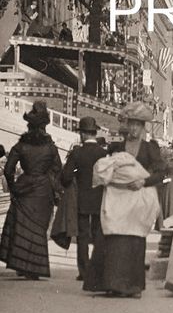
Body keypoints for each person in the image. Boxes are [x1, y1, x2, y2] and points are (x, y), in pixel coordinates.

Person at [84, 101, 166, 298]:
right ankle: (111, 284)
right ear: (126, 126)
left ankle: (131, 287)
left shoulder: (149, 148)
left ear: (143, 127)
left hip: (137, 201)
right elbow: (107, 167)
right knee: (111, 239)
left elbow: (161, 173)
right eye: (131, 124)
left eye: (137, 125)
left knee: (134, 240)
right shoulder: (117, 146)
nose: (134, 129)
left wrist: (143, 182)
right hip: (117, 200)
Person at [0, 101, 62, 280]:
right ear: (44, 126)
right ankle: (36, 267)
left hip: (24, 187)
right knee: (38, 229)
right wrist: (49, 182)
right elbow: (57, 168)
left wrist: (13, 187)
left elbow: (8, 169)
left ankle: (22, 265)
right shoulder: (50, 147)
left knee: (23, 228)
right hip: (43, 190)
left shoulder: (21, 146)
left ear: (28, 126)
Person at [61, 116, 107, 282]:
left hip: (81, 200)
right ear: (94, 133)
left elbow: (65, 177)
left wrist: (74, 175)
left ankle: (84, 271)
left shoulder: (77, 153)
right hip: (99, 199)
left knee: (82, 236)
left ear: (82, 134)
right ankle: (97, 270)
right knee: (97, 235)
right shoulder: (103, 153)